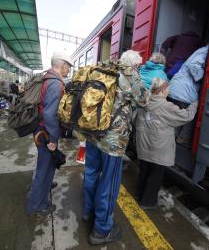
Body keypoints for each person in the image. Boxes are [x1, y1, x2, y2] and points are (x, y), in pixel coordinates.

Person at [82, 50, 149, 245]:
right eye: (138, 66)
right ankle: (102, 230)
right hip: (112, 141)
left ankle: (88, 212)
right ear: (134, 65)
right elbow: (144, 101)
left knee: (91, 174)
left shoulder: (104, 68)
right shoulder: (130, 74)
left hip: (93, 134)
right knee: (109, 184)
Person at [134, 78, 197, 209]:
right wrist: (195, 103)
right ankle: (147, 202)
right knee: (155, 175)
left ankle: (139, 195)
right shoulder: (166, 106)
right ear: (162, 90)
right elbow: (186, 116)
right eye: (168, 88)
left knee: (144, 170)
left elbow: (134, 119)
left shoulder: (143, 101)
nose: (169, 91)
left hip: (143, 144)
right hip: (158, 147)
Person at [26, 50, 73, 215]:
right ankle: (37, 205)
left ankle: (43, 189)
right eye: (68, 67)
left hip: (41, 129)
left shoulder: (46, 77)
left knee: (47, 165)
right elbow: (49, 114)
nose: (69, 70)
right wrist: (54, 138)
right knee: (44, 168)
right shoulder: (56, 83)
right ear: (63, 65)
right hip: (45, 131)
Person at [168, 45, 209, 146]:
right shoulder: (206, 51)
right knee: (188, 117)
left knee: (176, 115)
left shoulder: (201, 50)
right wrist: (203, 77)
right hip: (184, 90)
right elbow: (194, 65)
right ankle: (182, 139)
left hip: (176, 88)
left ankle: (171, 138)